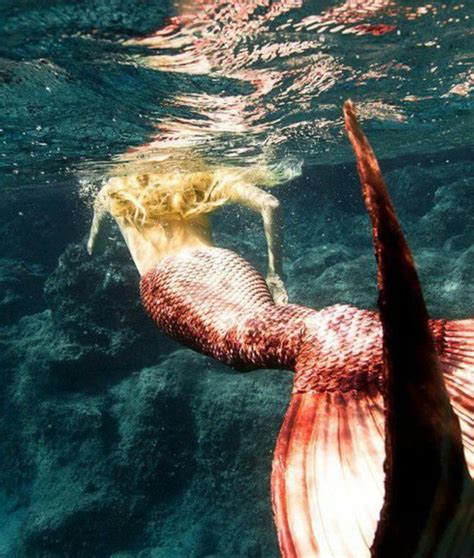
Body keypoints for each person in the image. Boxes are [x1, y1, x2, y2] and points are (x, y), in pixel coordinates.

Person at [87, 102, 472, 557]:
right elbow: (269, 203)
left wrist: (95, 244)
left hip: (166, 283)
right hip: (224, 265)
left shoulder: (113, 186)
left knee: (240, 342)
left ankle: (340, 341)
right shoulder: (198, 176)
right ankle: (343, 332)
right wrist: (274, 272)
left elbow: (94, 242)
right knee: (260, 327)